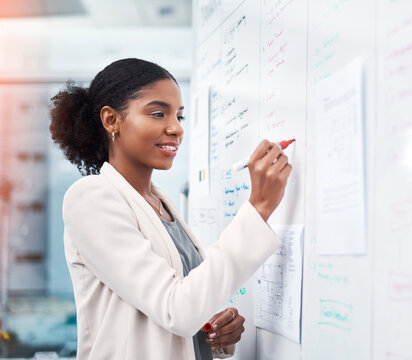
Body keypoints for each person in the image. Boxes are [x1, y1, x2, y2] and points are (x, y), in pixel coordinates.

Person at [49, 58, 292, 360]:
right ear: (111, 120)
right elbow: (175, 310)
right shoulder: (91, 198)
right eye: (158, 113)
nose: (176, 128)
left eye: (179, 115)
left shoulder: (162, 203)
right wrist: (258, 209)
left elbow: (179, 316)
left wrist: (215, 334)